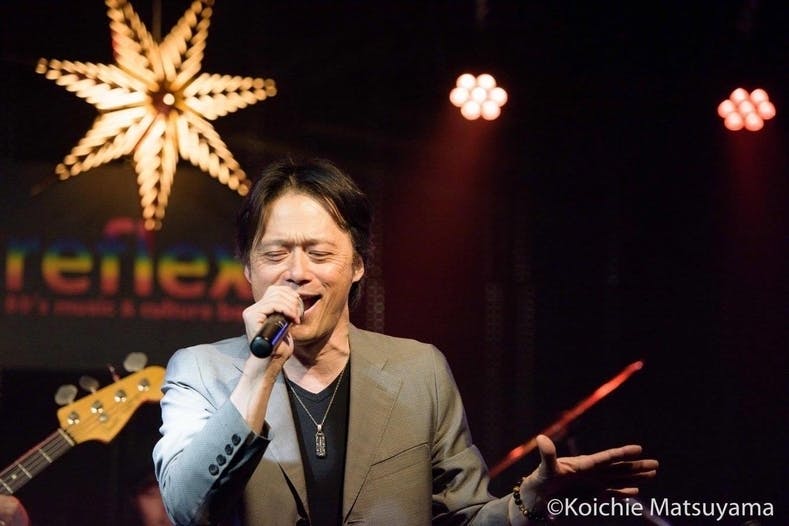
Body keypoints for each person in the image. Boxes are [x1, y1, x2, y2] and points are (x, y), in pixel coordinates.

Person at [153, 158, 658, 525]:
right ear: (247, 268)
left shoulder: (419, 371)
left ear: (357, 266)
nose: (297, 272)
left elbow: (464, 516)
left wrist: (532, 500)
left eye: (319, 254)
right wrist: (259, 373)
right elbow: (186, 506)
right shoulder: (199, 371)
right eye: (275, 254)